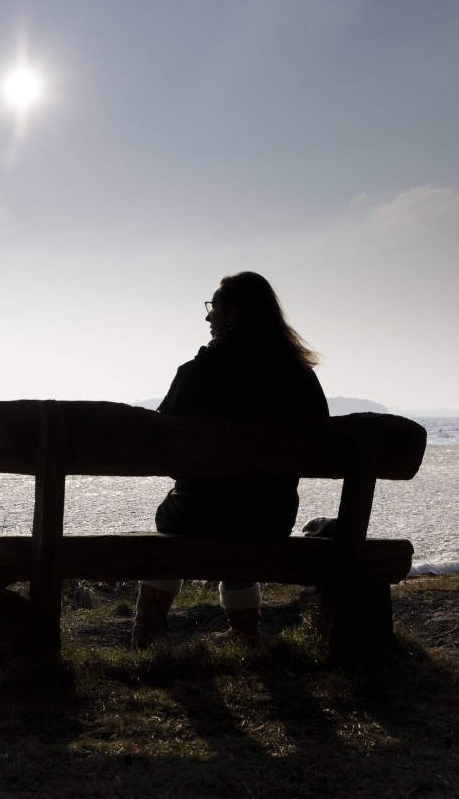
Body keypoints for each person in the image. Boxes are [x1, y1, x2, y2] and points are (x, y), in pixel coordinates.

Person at [131, 272, 327, 648]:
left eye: (213, 308)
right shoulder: (300, 377)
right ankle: (247, 638)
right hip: (270, 518)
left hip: (198, 514)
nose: (208, 318)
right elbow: (317, 451)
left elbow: (162, 449)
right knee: (244, 515)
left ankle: (143, 642)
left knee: (179, 522)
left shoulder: (197, 373)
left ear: (232, 311)